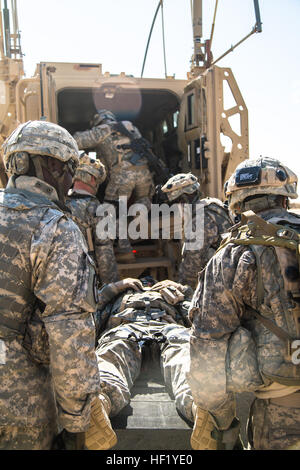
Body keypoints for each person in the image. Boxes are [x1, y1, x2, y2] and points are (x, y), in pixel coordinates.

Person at [0, 120, 111, 450]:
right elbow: (70, 338)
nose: (70, 181)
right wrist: (76, 423)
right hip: (19, 405)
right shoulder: (54, 227)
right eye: (68, 169)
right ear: (49, 164)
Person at [187, 156, 300, 450]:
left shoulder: (233, 255)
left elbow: (207, 348)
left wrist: (225, 423)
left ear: (236, 205)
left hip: (281, 415)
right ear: (285, 199)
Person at [84, 276, 195, 450]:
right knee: (113, 352)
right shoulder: (120, 296)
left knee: (183, 352)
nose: (147, 285)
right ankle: (100, 403)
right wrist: (115, 288)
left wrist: (182, 291)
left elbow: (200, 312)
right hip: (126, 329)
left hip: (169, 328)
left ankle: (198, 405)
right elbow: (90, 308)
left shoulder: (171, 294)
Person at [73, 110, 157, 261]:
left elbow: (75, 141)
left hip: (123, 176)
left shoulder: (102, 130)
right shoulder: (131, 128)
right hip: (144, 173)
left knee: (113, 210)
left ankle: (124, 248)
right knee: (143, 201)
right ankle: (138, 229)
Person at [161, 173, 232, 289]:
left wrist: (182, 291)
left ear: (182, 201)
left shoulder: (199, 221)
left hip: (220, 284)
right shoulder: (213, 204)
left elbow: (191, 268)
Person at [66, 152, 120, 285]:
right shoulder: (98, 210)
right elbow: (105, 254)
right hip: (86, 279)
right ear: (92, 180)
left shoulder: (57, 203)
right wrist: (112, 288)